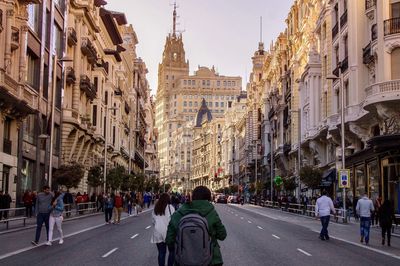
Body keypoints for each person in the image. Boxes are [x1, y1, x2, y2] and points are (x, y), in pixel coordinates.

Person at [166, 186, 227, 266]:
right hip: (211, 260)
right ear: (209, 198)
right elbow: (222, 235)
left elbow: (169, 240)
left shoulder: (178, 213)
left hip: (183, 260)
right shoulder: (212, 212)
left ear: (192, 197)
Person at [151, 193, 175, 266]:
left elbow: (153, 221)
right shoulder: (171, 207)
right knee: (172, 251)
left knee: (161, 252)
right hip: (168, 233)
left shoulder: (156, 208)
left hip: (158, 232)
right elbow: (174, 220)